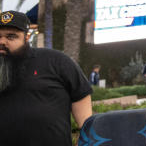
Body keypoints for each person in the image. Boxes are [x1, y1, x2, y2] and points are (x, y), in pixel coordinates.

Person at [0, 10, 93, 145]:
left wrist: (88, 137)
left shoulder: (56, 61)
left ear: (26, 38)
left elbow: (80, 96)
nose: (2, 41)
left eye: (11, 36)